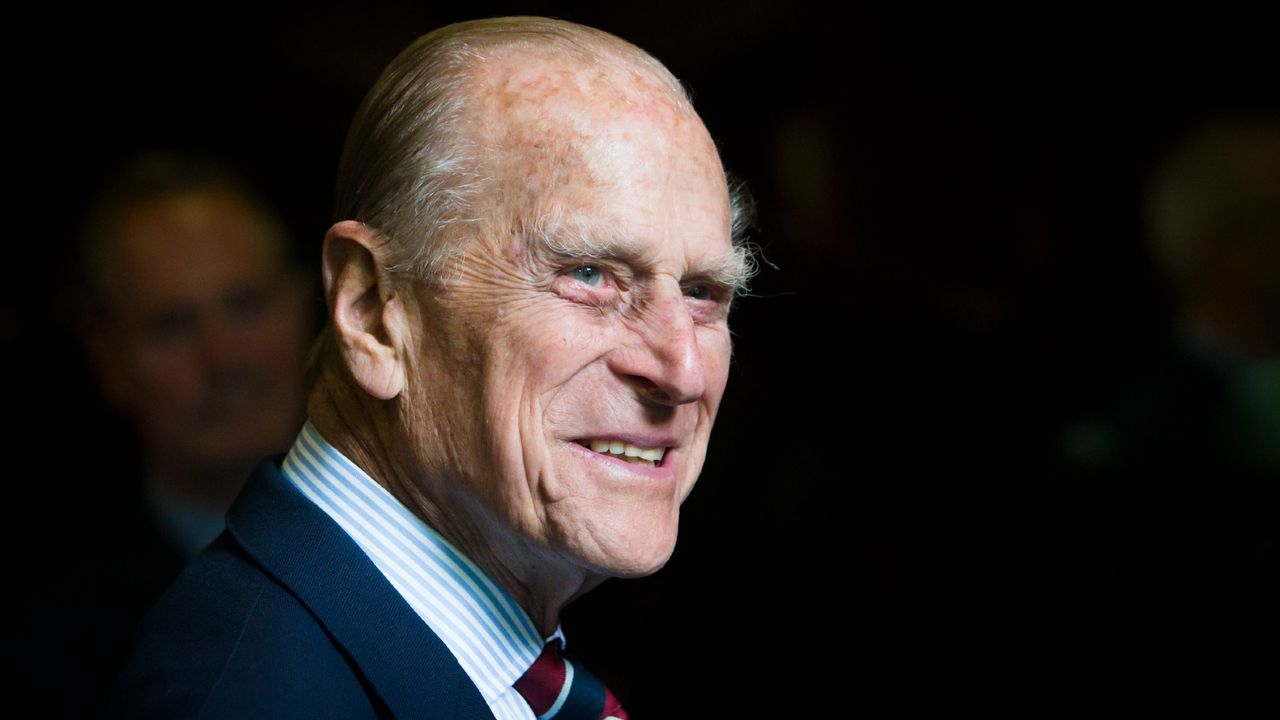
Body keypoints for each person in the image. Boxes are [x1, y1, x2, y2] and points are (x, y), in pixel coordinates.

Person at [116, 16, 753, 719]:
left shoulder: (492, 659)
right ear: (372, 310)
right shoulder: (246, 697)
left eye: (703, 293)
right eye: (591, 275)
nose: (684, 372)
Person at [20, 153, 316, 716]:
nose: (226, 358)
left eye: (247, 305)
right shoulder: (58, 652)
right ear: (108, 362)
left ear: (309, 304)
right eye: (171, 326)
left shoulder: (442, 541)